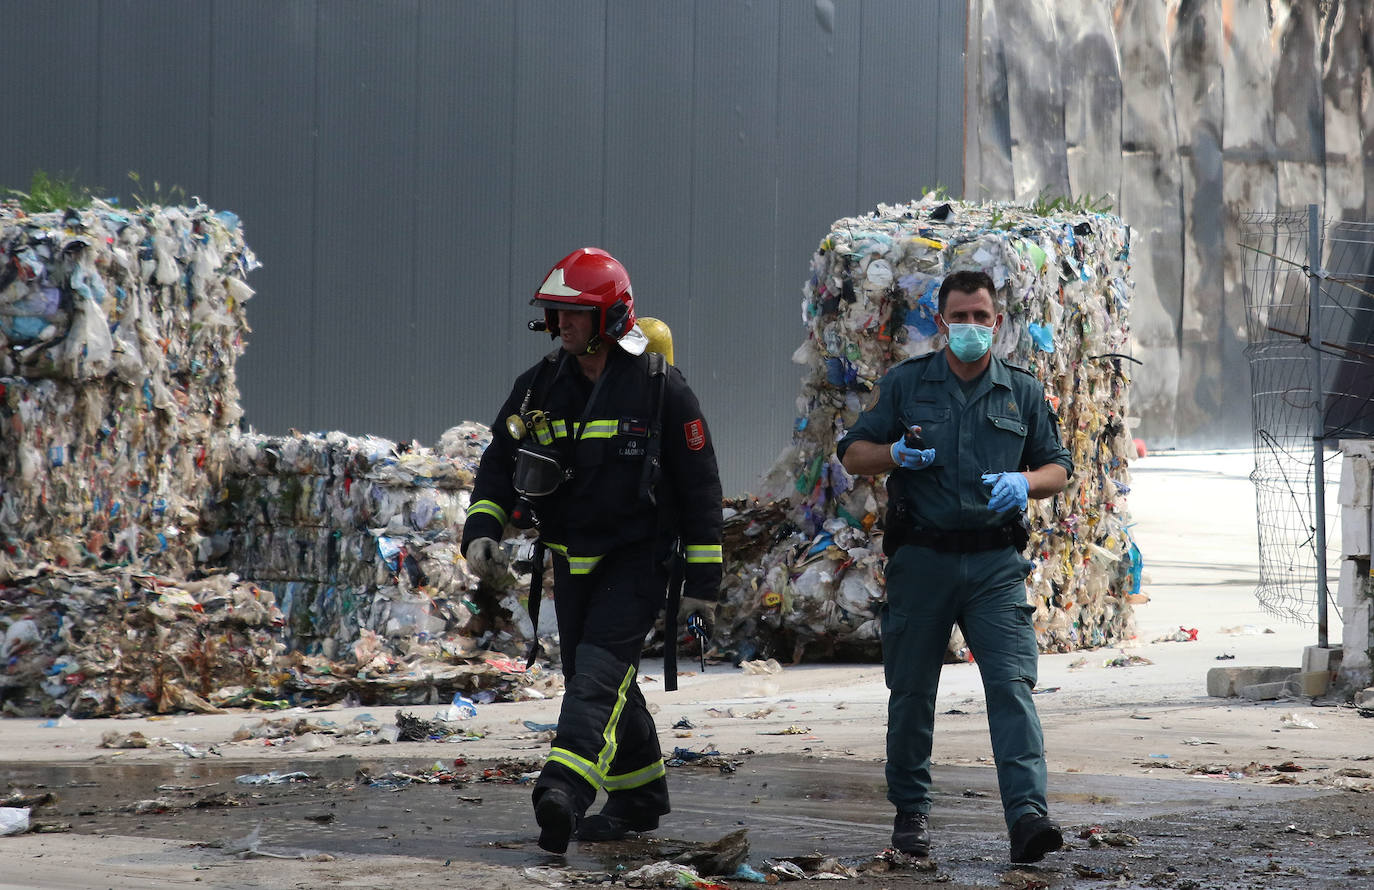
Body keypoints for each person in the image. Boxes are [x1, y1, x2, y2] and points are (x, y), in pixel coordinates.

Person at [461, 247, 723, 854]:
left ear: (610, 315)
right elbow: (499, 464)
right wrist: (482, 528)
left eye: (574, 313)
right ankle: (640, 794)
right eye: (555, 314)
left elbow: (700, 487)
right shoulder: (537, 389)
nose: (562, 325)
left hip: (639, 560)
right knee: (595, 677)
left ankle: (563, 791)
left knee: (596, 678)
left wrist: (703, 584)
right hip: (570, 561)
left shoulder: (661, 390)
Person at [837, 269, 1073, 865]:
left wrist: (1025, 481)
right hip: (923, 560)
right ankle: (910, 816)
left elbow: (1057, 467)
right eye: (959, 317)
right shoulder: (907, 385)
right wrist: (894, 454)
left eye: (981, 317)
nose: (971, 327)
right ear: (940, 323)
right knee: (912, 691)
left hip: (994, 564)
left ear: (998, 322)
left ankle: (1027, 817)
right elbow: (852, 451)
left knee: (1012, 686)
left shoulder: (1020, 389)